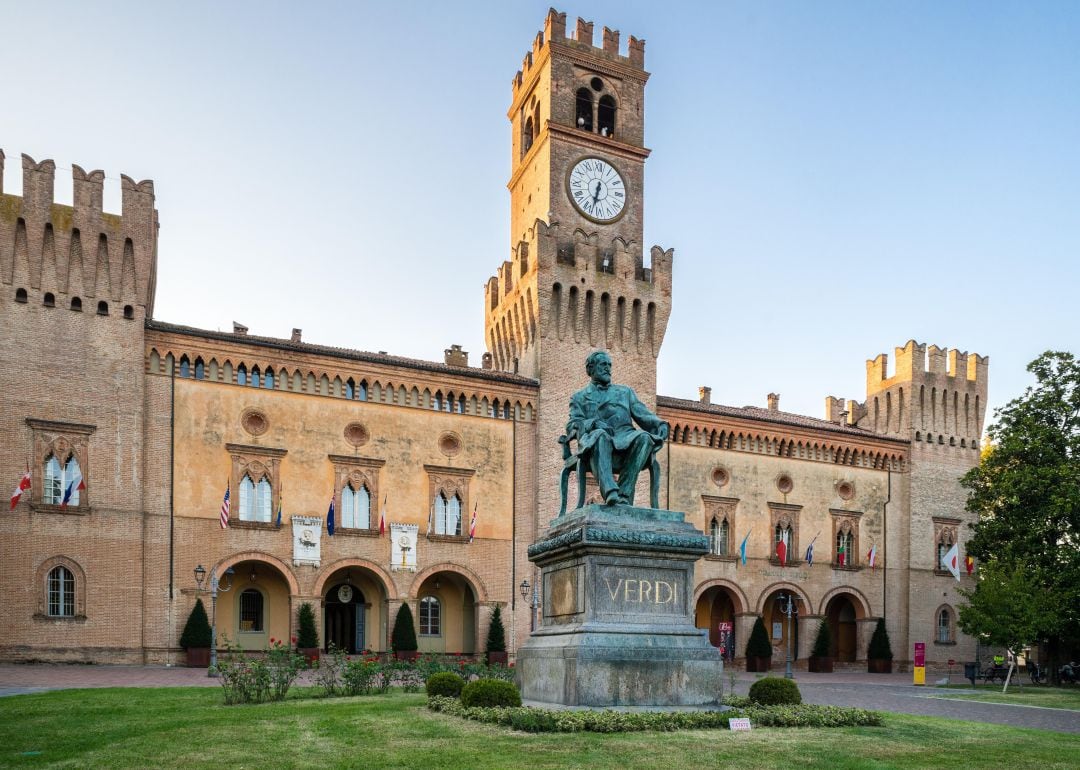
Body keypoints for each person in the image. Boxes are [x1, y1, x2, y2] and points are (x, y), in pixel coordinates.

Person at [567, 351, 669, 506]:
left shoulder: (625, 392)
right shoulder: (579, 397)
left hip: (625, 437)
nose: (608, 368)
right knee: (600, 436)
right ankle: (610, 492)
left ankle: (623, 493)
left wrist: (659, 424)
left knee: (644, 437)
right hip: (596, 441)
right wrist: (593, 423)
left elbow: (643, 413)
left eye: (609, 365)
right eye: (603, 365)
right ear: (590, 369)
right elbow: (572, 424)